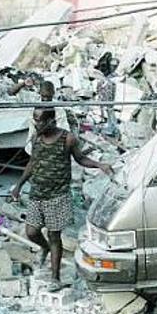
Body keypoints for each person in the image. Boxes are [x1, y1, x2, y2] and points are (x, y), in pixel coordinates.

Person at [11, 108, 113, 291]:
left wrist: (99, 165)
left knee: (54, 235)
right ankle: (45, 248)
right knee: (31, 232)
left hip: (57, 195)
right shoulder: (36, 138)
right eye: (35, 120)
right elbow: (32, 162)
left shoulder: (67, 139)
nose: (37, 124)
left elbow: (81, 159)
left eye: (40, 120)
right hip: (37, 193)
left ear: (51, 120)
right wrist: (19, 185)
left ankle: (55, 277)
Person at [10, 80, 77, 155]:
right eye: (43, 96)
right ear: (39, 93)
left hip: (51, 145)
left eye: (48, 97)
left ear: (53, 93)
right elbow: (12, 92)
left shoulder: (58, 109)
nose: (45, 99)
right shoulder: (33, 100)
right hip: (33, 145)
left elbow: (63, 129)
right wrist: (24, 83)